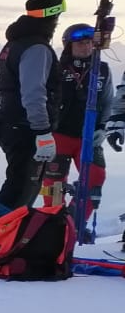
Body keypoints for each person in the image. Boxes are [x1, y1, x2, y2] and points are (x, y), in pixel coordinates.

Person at [0, 0, 65, 207]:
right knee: (21, 190)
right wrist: (42, 132)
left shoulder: (14, 44)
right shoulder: (36, 48)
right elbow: (33, 94)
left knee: (18, 185)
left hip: (10, 123)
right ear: (51, 17)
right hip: (26, 129)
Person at [50, 22, 123, 225]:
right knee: (54, 185)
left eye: (90, 42)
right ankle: (53, 226)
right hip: (59, 135)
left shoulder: (102, 69)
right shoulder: (56, 69)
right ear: (69, 46)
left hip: (89, 136)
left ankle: (74, 223)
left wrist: (102, 127)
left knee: (95, 179)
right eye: (80, 43)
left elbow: (107, 101)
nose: (86, 47)